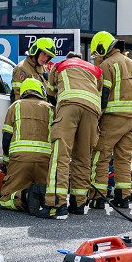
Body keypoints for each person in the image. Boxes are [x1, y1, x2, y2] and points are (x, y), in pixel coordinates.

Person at [43, 51, 102, 217]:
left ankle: (56, 203)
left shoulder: (60, 65)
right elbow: (99, 92)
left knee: (60, 155)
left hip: (69, 106)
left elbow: (51, 92)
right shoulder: (94, 69)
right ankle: (78, 203)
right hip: (92, 111)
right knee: (83, 158)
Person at [89, 31, 132, 209]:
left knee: (101, 156)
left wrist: (98, 115)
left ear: (102, 48)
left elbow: (103, 95)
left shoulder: (107, 65)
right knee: (123, 159)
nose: (97, 57)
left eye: (97, 53)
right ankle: (123, 197)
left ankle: (98, 198)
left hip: (111, 118)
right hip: (129, 120)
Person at [0, 78, 53, 212]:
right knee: (45, 189)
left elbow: (6, 138)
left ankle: (25, 196)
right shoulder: (51, 109)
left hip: (20, 161)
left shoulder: (15, 106)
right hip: (45, 162)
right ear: (41, 92)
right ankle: (45, 196)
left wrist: (7, 163)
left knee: (5, 199)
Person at [12, 37, 55, 102]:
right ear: (36, 51)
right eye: (44, 54)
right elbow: (17, 94)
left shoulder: (44, 68)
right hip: (28, 108)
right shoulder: (21, 68)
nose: (45, 58)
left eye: (48, 56)